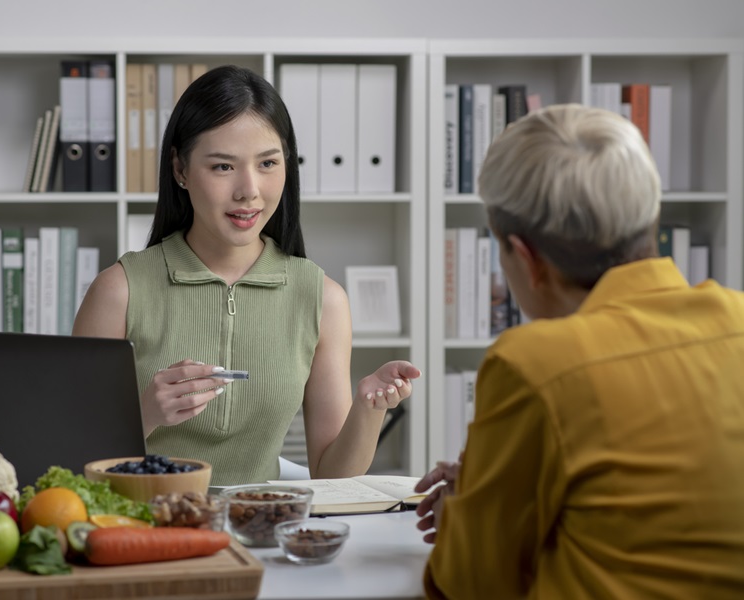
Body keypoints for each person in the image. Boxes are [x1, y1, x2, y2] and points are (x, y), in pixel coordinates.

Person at [416, 104, 744, 598]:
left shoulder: (533, 362)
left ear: (525, 259)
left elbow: (471, 585)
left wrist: (461, 509)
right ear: (649, 219)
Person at [73, 65, 420, 486]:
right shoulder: (119, 291)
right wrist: (143, 415)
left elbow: (332, 475)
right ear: (180, 169)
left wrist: (369, 407)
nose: (249, 190)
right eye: (223, 167)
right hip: (145, 533)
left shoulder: (323, 299)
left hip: (262, 533)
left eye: (268, 163)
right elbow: (73, 463)